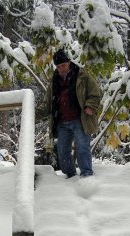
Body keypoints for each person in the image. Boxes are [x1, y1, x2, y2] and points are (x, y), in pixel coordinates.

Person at [36, 49, 101, 178]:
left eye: (63, 65)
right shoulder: (54, 81)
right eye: (58, 66)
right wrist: (35, 114)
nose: (61, 68)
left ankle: (86, 174)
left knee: (82, 146)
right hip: (61, 121)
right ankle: (70, 174)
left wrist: (90, 106)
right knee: (62, 150)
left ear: (69, 63)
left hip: (80, 119)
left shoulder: (83, 76)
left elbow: (95, 94)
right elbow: (47, 102)